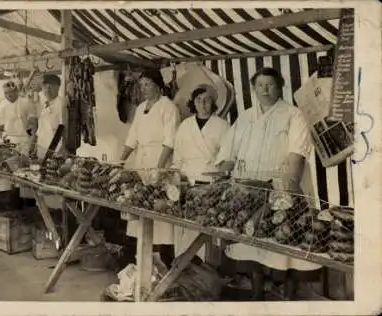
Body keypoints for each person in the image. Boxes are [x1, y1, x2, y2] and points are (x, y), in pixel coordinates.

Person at [214, 67, 319, 300]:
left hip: (283, 189)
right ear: (253, 88)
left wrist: (286, 187)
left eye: (270, 84)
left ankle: (289, 296)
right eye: (260, 85)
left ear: (280, 86)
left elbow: (297, 155)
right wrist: (221, 176)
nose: (264, 90)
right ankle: (257, 293)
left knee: (288, 244)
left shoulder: (293, 114)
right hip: (249, 190)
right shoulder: (246, 116)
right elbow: (227, 154)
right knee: (252, 244)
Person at [119, 69, 180, 268]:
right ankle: (144, 261)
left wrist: (159, 169)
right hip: (141, 163)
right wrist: (120, 161)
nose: (143, 89)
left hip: (160, 161)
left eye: (147, 85)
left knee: (159, 212)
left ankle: (161, 261)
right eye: (141, 85)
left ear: (158, 86)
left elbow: (170, 141)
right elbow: (132, 137)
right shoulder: (140, 108)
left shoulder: (168, 107)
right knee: (139, 207)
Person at [172, 84, 230, 262]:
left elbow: (227, 157)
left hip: (209, 183)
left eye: (207, 100)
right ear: (193, 103)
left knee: (205, 229)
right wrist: (176, 178)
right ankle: (182, 266)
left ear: (213, 103)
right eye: (198, 99)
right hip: (186, 182)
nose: (202, 103)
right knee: (184, 227)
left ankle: (205, 269)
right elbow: (178, 156)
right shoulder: (185, 125)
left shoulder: (223, 126)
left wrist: (219, 176)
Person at [0, 80, 38, 155]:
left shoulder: (26, 103)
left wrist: (31, 143)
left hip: (23, 141)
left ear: (16, 91)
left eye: (10, 92)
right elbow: (2, 123)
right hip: (8, 140)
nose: (8, 95)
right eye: (6, 93)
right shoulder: (2, 104)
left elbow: (33, 125)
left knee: (21, 164)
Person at [31, 74, 64, 159]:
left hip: (54, 150)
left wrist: (57, 152)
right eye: (45, 87)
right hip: (41, 148)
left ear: (58, 87)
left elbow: (63, 131)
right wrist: (36, 149)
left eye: (51, 86)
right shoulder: (44, 104)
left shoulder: (61, 105)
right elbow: (40, 129)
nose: (48, 90)